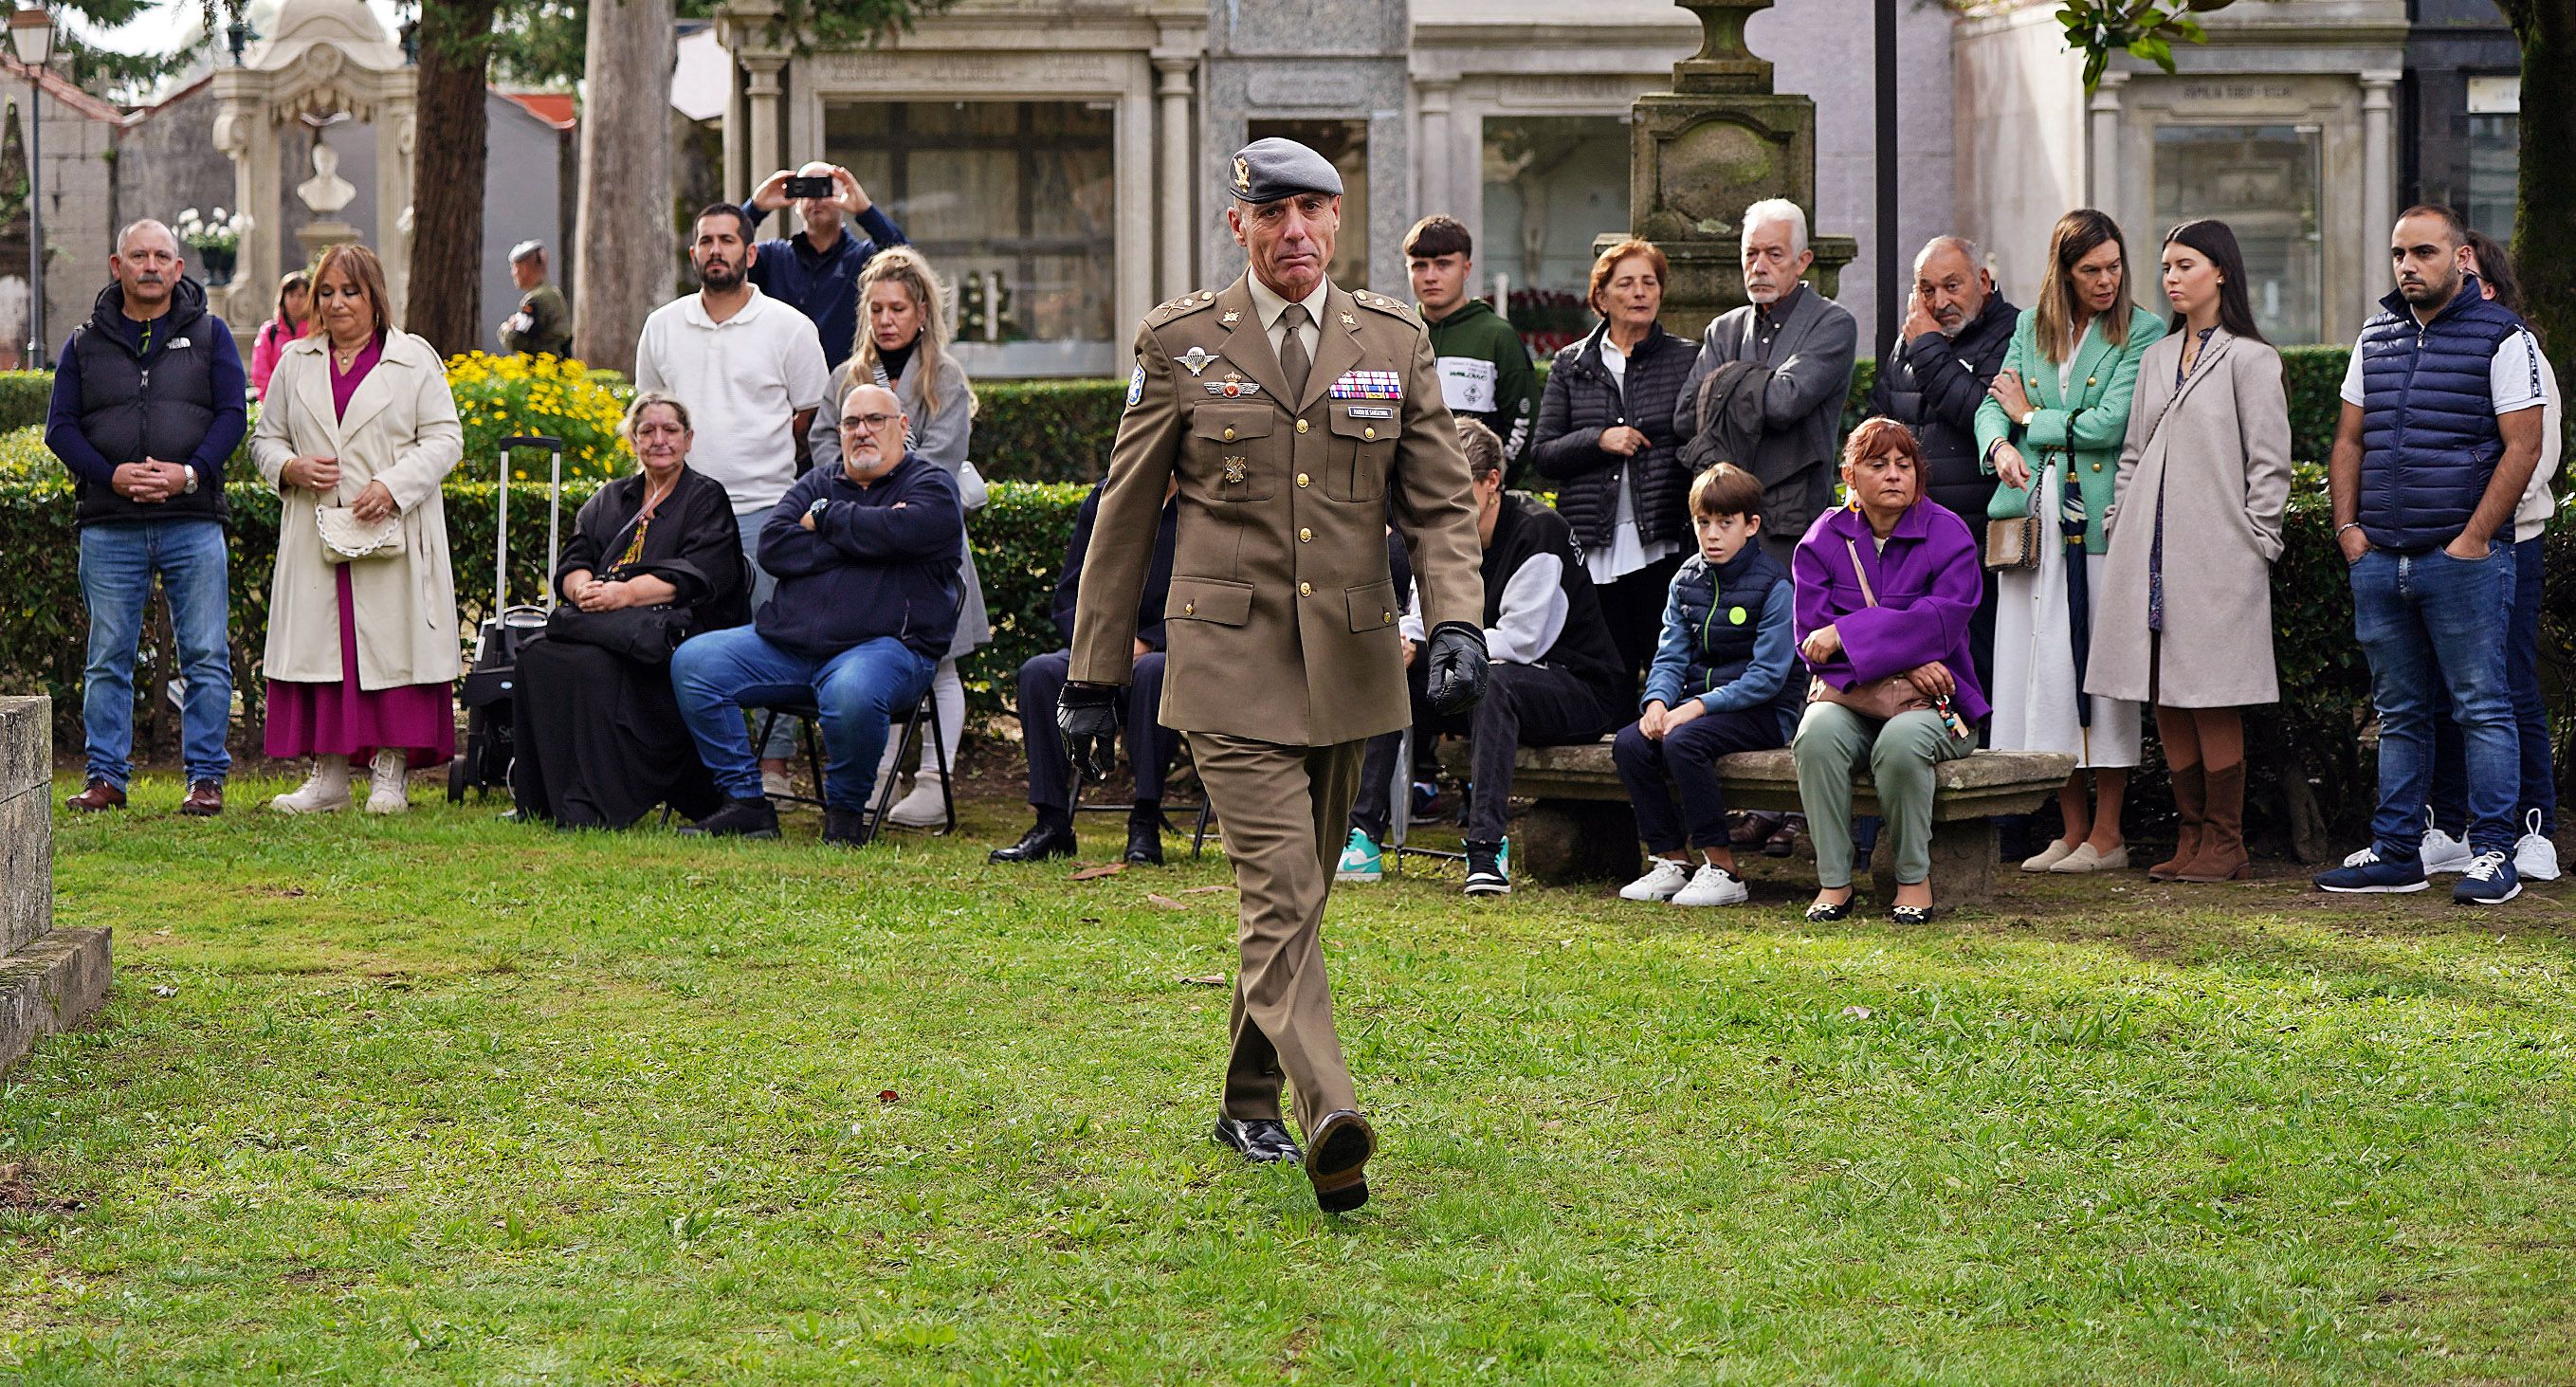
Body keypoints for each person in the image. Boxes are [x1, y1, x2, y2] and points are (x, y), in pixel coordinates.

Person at [1057, 137, 1488, 1213]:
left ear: (1338, 221)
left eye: (1315, 210)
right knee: (1284, 883)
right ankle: (1328, 1113)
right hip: (1225, 655)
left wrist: (1457, 622)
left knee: (1293, 904)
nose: (1295, 231)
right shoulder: (1181, 343)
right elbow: (1123, 515)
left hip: (1347, 659)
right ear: (1239, 225)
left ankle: (1245, 1095)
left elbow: (1437, 501)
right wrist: (1093, 670)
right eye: (1274, 214)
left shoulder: (1389, 337)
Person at [2313, 206, 2548, 905]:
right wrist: (2348, 531)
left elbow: (2524, 446)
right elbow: (2349, 440)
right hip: (2381, 556)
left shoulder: (2503, 336)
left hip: (2463, 560)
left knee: (2482, 706)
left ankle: (2493, 853)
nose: (2407, 266)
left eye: (2423, 252)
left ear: (2460, 259)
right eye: (2398, 254)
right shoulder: (2375, 333)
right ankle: (2395, 853)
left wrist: (2473, 537)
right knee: (2400, 711)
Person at [2086, 219, 2293, 884]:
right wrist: (2119, 520)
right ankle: (2192, 833)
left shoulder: (2250, 359)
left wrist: (2256, 539)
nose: (2171, 278)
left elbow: (2270, 464)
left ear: (2221, 272)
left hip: (2216, 555)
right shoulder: (2153, 357)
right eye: (2167, 267)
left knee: (2212, 693)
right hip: (2147, 552)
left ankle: (2227, 842)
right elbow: (2131, 453)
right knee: (2164, 693)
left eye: (2185, 265)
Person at [668, 381, 961, 848]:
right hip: (789, 646)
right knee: (696, 662)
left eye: (874, 421)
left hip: (885, 650)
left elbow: (910, 530)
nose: (861, 431)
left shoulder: (931, 486)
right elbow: (775, 547)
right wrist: (870, 541)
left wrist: (825, 520)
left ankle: (845, 815)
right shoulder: (816, 482)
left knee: (851, 690)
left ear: (902, 427)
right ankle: (747, 803)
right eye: (851, 422)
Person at [1975, 208, 2165, 875]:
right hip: (2029, 528)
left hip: (2096, 528)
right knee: (2039, 671)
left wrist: (2030, 416)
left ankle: (2109, 835)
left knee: (2098, 671)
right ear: (2063, 270)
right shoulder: (2031, 326)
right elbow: (1989, 403)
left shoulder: (2142, 329)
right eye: (2091, 269)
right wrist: (1999, 442)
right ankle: (2072, 829)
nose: (2107, 279)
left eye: (2114, 266)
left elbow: (2110, 423)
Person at [1367, 418, 1627, 898]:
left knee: (1492, 677)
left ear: (1491, 484)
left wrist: (1427, 647)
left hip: (1577, 688)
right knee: (1394, 671)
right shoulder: (1440, 534)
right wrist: (1404, 648)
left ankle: (1485, 850)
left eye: (1459, 486)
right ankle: (1361, 835)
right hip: (1489, 676)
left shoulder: (1540, 530)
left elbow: (1522, 641)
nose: (1446, 501)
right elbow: (1418, 614)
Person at [251, 243, 464, 815]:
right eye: (327, 291)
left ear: (374, 297)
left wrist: (393, 487)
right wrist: (290, 467)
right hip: (316, 530)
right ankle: (328, 779)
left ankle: (388, 775)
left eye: (351, 291)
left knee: (391, 647)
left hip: (391, 531)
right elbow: (264, 440)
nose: (338, 303)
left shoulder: (413, 359)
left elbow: (446, 439)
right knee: (326, 651)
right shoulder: (296, 362)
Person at [47, 219, 248, 814]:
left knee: (206, 653)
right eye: (139, 255)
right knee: (108, 655)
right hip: (109, 523)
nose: (152, 265)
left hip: (193, 518)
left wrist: (189, 473)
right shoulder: (83, 343)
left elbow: (233, 415)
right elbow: (61, 427)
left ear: (179, 270)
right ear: (118, 267)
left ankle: (206, 779)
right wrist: (109, 475)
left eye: (163, 255)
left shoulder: (211, 335)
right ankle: (106, 778)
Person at [635, 203, 832, 794]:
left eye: (727, 241)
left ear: (750, 255)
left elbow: (809, 416)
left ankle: (773, 769)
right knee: (686, 640)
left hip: (767, 512)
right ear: (692, 253)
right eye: (705, 241)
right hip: (682, 514)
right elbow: (653, 416)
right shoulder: (662, 325)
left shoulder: (790, 327)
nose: (715, 250)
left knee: (772, 637)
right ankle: (696, 771)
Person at [805, 246, 987, 830]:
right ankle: (876, 775)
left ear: (921, 313)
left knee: (941, 663)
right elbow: (824, 453)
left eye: (898, 309)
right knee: (870, 653)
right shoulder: (847, 378)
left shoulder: (946, 380)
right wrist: (866, 496)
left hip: (927, 540)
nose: (886, 320)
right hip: (858, 540)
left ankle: (935, 782)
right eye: (877, 309)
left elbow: (938, 465)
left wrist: (871, 483)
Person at [508, 392, 753, 828]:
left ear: (688, 439)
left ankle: (592, 806)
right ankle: (541, 800)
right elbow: (574, 559)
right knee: (537, 654)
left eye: (670, 430)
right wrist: (583, 590)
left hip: (673, 635)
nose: (659, 440)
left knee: (590, 664)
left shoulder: (705, 497)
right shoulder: (612, 497)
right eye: (647, 431)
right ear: (633, 441)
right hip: (606, 625)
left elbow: (698, 575)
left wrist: (624, 595)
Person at [1792, 419, 1987, 923]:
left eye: (1905, 465)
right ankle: (1834, 883)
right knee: (1816, 733)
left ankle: (1912, 877)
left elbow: (1945, 621)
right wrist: (1904, 655)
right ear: (1850, 476)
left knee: (1900, 742)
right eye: (1877, 465)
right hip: (1853, 697)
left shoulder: (1948, 532)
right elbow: (1811, 642)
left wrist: (1849, 633)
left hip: (1938, 702)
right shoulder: (1823, 539)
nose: (1894, 475)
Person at [2419, 231, 2561, 884]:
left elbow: (2533, 456)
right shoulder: (2426, 347)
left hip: (2506, 546)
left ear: (2489, 288)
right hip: (2441, 547)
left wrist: (2475, 527)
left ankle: (2534, 829)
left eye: (2463, 271)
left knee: (2505, 688)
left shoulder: (2518, 348)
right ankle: (2449, 827)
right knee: (2448, 693)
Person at [1611, 462, 1800, 907]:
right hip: (1695, 709)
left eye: (1725, 523)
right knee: (1630, 743)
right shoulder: (1684, 581)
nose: (1712, 534)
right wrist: (1657, 701)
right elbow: (1671, 654)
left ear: (1751, 526)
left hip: (1764, 712)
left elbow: (1768, 676)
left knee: (1682, 743)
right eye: (1703, 523)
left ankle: (1724, 868)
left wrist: (1695, 707)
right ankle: (1673, 860)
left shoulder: (1775, 585)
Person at [991, 473, 1181, 867]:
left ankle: (1144, 821)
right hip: (1098, 650)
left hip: (1171, 652)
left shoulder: (1206, 503)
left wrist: (1149, 641)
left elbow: (1215, 596)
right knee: (1040, 673)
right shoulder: (1106, 496)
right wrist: (1100, 648)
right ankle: (1052, 823)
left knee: (1153, 674)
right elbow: (1069, 593)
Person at [1529, 238, 1695, 682]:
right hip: (1595, 539)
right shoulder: (1571, 363)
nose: (1641, 292)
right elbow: (1543, 453)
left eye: (1649, 282)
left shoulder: (1687, 358)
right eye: (1627, 283)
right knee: (1610, 667)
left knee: (1663, 655)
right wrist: (1599, 439)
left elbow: (1698, 442)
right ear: (1602, 298)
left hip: (1662, 533)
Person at [1867, 235, 2018, 697]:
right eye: (1927, 290)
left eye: (1952, 286)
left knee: (1982, 672)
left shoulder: (2012, 333)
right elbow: (1884, 424)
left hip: (1980, 544)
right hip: (1913, 541)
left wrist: (1928, 347)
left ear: (1984, 281)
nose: (1940, 301)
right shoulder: (1912, 340)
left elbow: (1985, 416)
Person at [1674, 198, 1860, 570]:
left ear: (1803, 260)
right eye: (1751, 254)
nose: (1759, 267)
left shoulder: (1832, 323)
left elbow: (1784, 403)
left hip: (1792, 526)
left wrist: (1725, 383)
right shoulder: (1723, 329)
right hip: (1722, 521)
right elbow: (1685, 416)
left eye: (1774, 254)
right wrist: (1761, 383)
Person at [740, 162, 909, 372]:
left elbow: (906, 261)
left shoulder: (863, 259)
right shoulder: (774, 258)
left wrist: (865, 210)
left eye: (824, 187)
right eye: (806, 189)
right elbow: (726, 260)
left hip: (847, 386)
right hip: (782, 388)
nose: (816, 198)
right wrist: (754, 209)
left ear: (842, 196)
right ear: (796, 202)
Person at [1403, 215, 1539, 476]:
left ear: (1466, 268)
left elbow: (1522, 425)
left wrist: (1492, 485)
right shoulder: (1398, 332)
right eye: (1419, 266)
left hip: (1476, 499)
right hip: (1404, 500)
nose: (1430, 276)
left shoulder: (1498, 336)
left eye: (1443, 265)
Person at [495, 240, 572, 359]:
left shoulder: (535, 300)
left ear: (524, 269)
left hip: (540, 371)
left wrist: (506, 329)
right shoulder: (553, 293)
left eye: (514, 268)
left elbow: (518, 341)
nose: (513, 274)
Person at [249, 268, 310, 401]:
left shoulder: (316, 331)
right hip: (276, 402)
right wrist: (271, 401)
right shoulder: (270, 332)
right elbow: (260, 372)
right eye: (291, 295)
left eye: (301, 295)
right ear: (283, 298)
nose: (296, 301)